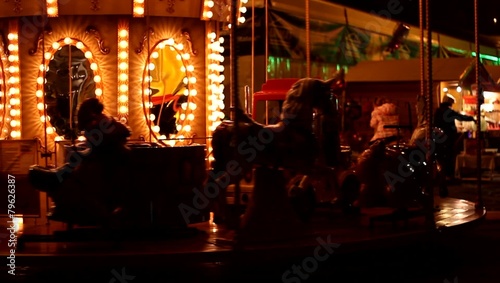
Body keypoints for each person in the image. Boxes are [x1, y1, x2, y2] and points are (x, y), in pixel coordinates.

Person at [433, 94, 474, 180]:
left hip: (438, 137)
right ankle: (449, 174)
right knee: (449, 156)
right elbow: (460, 117)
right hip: (448, 137)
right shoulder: (448, 111)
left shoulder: (438, 111)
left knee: (440, 156)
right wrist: (471, 118)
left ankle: (441, 174)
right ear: (449, 103)